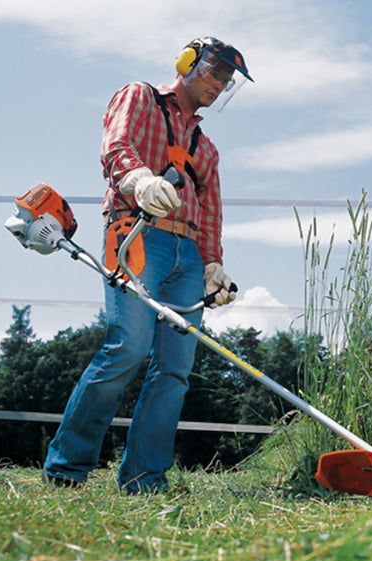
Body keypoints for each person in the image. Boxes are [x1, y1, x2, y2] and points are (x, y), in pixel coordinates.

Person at [43, 37, 253, 494]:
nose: (219, 84)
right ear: (187, 62)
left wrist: (213, 265)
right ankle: (67, 468)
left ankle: (144, 479)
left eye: (227, 81)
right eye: (214, 72)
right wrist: (139, 181)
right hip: (135, 234)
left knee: (175, 370)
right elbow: (116, 144)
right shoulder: (139, 96)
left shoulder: (207, 149)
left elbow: (211, 210)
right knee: (127, 348)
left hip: (188, 256)